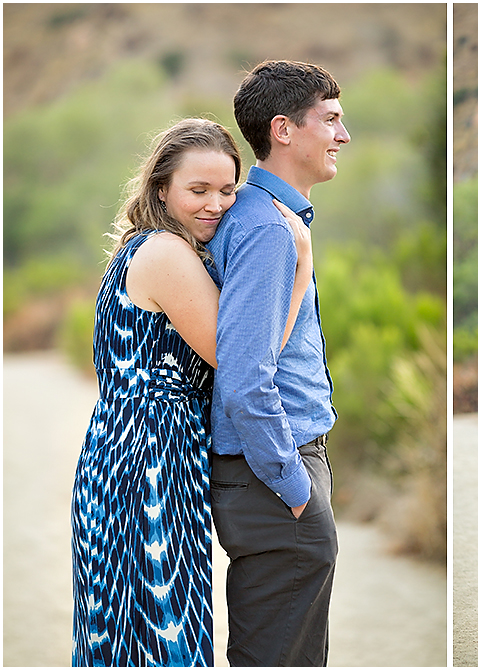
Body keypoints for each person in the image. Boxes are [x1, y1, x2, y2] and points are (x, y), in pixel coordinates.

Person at [70, 118, 312, 666]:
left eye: (227, 190)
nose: (216, 204)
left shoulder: (142, 248)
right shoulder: (166, 255)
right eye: (197, 191)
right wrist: (298, 274)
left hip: (126, 450)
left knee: (134, 631)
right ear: (161, 189)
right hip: (150, 461)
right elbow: (245, 361)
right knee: (163, 631)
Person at [204, 60, 350, 666]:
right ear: (284, 130)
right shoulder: (266, 228)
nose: (343, 136)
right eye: (332, 120)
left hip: (273, 472)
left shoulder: (267, 218)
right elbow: (245, 378)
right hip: (273, 477)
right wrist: (294, 486)